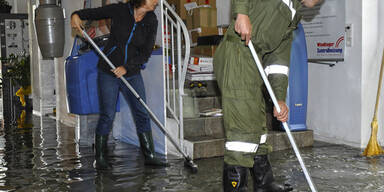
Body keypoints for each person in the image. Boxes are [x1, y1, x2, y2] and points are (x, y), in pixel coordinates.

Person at [213, 0, 322, 191]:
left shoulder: (293, 14)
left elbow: (279, 58)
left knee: (256, 125)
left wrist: (279, 97)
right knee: (242, 133)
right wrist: (241, 13)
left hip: (254, 63)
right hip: (237, 54)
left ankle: (264, 182)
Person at [71, 0, 166, 169]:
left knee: (142, 112)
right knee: (107, 114)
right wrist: (76, 16)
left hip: (131, 73)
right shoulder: (120, 10)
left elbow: (145, 52)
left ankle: (150, 155)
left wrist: (127, 68)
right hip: (108, 71)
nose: (157, 2)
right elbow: (93, 14)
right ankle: (100, 157)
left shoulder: (151, 20)